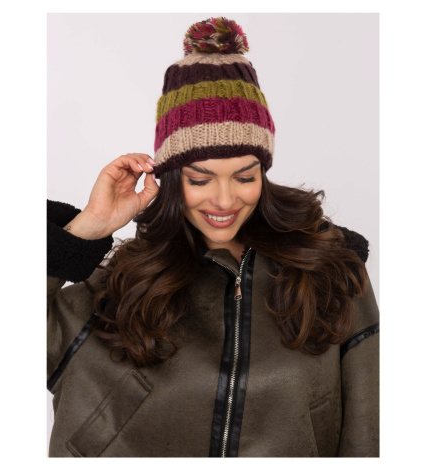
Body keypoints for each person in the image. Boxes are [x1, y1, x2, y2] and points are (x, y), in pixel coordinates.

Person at [47, 17, 379, 457]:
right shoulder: (118, 288)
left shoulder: (332, 273)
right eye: (200, 179)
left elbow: (368, 435)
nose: (224, 200)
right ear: (171, 178)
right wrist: (86, 229)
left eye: (245, 176)